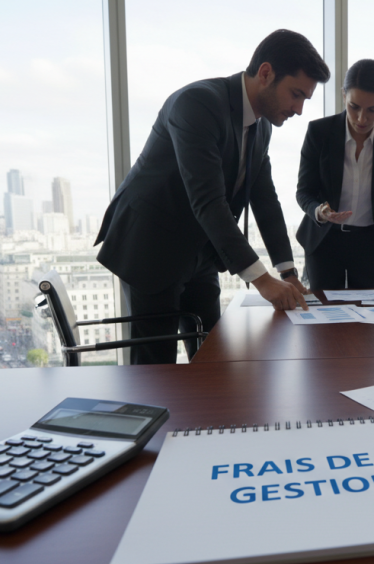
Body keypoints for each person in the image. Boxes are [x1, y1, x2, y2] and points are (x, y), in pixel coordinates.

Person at [94, 30, 330, 364]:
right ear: (266, 74)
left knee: (211, 355)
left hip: (200, 251)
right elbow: (208, 201)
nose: (299, 109)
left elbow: (265, 199)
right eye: (296, 94)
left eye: (305, 98)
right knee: (154, 368)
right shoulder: (198, 103)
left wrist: (287, 273)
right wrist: (262, 281)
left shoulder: (260, 126)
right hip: (150, 248)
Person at [295, 59, 374, 291]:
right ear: (343, 96)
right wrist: (318, 211)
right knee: (323, 317)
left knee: (369, 319)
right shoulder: (319, 132)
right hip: (324, 240)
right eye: (354, 107)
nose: (362, 119)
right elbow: (304, 192)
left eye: (373, 110)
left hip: (371, 243)